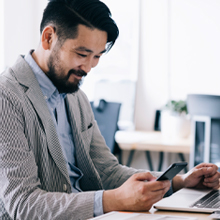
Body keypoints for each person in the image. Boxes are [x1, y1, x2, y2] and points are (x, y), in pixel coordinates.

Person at [0, 0, 219, 219]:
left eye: (97, 56)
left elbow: (107, 171)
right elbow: (24, 204)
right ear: (49, 38)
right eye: (82, 54)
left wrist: (179, 182)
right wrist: (115, 199)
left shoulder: (76, 98)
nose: (88, 68)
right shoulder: (6, 97)